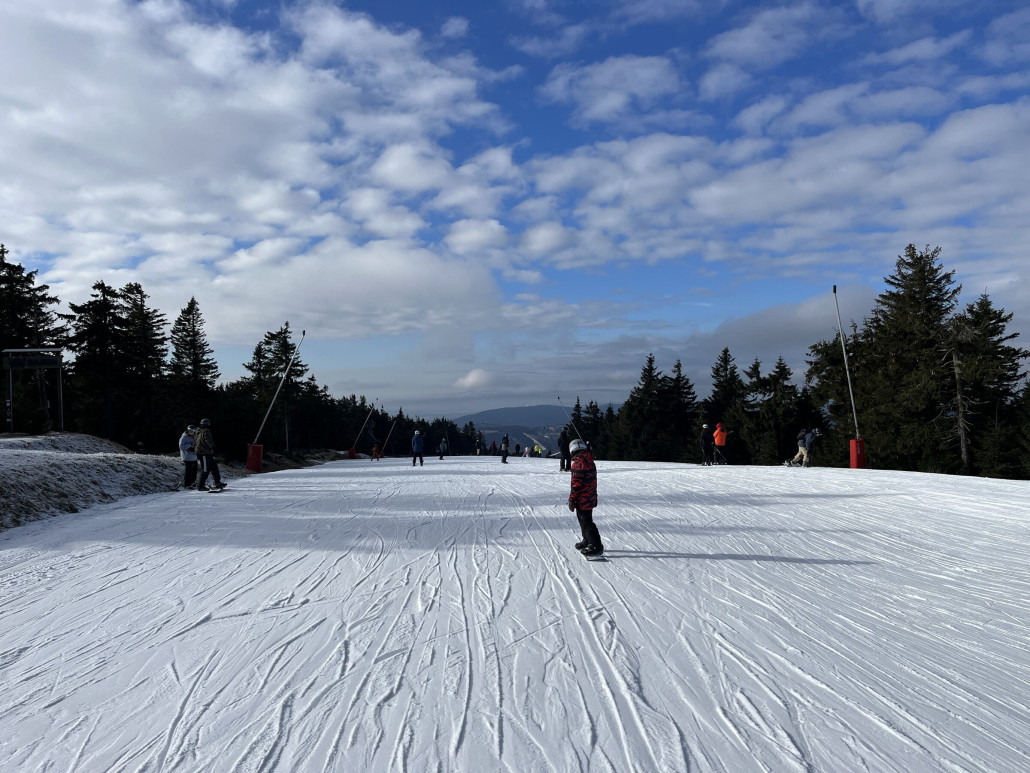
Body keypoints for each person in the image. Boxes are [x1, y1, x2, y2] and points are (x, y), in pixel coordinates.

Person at [568, 439, 603, 557]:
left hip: (583, 498)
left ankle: (596, 545)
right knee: (584, 519)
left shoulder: (578, 463)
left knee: (586, 522)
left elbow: (576, 485)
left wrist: (572, 499)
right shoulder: (589, 460)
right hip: (590, 496)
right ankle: (587, 540)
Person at [194, 418, 225, 491]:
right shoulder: (206, 430)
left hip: (205, 452)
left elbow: (196, 441)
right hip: (204, 453)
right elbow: (207, 439)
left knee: (214, 467)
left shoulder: (197, 431)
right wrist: (212, 446)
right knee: (205, 469)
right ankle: (200, 486)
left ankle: (217, 482)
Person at [179, 424, 198, 489]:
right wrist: (190, 445)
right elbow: (181, 446)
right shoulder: (183, 437)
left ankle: (193, 482)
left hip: (194, 456)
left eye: (193, 431)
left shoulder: (194, 437)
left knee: (195, 470)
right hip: (187, 457)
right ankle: (187, 484)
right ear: (188, 431)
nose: (192, 432)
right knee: (188, 471)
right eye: (191, 431)